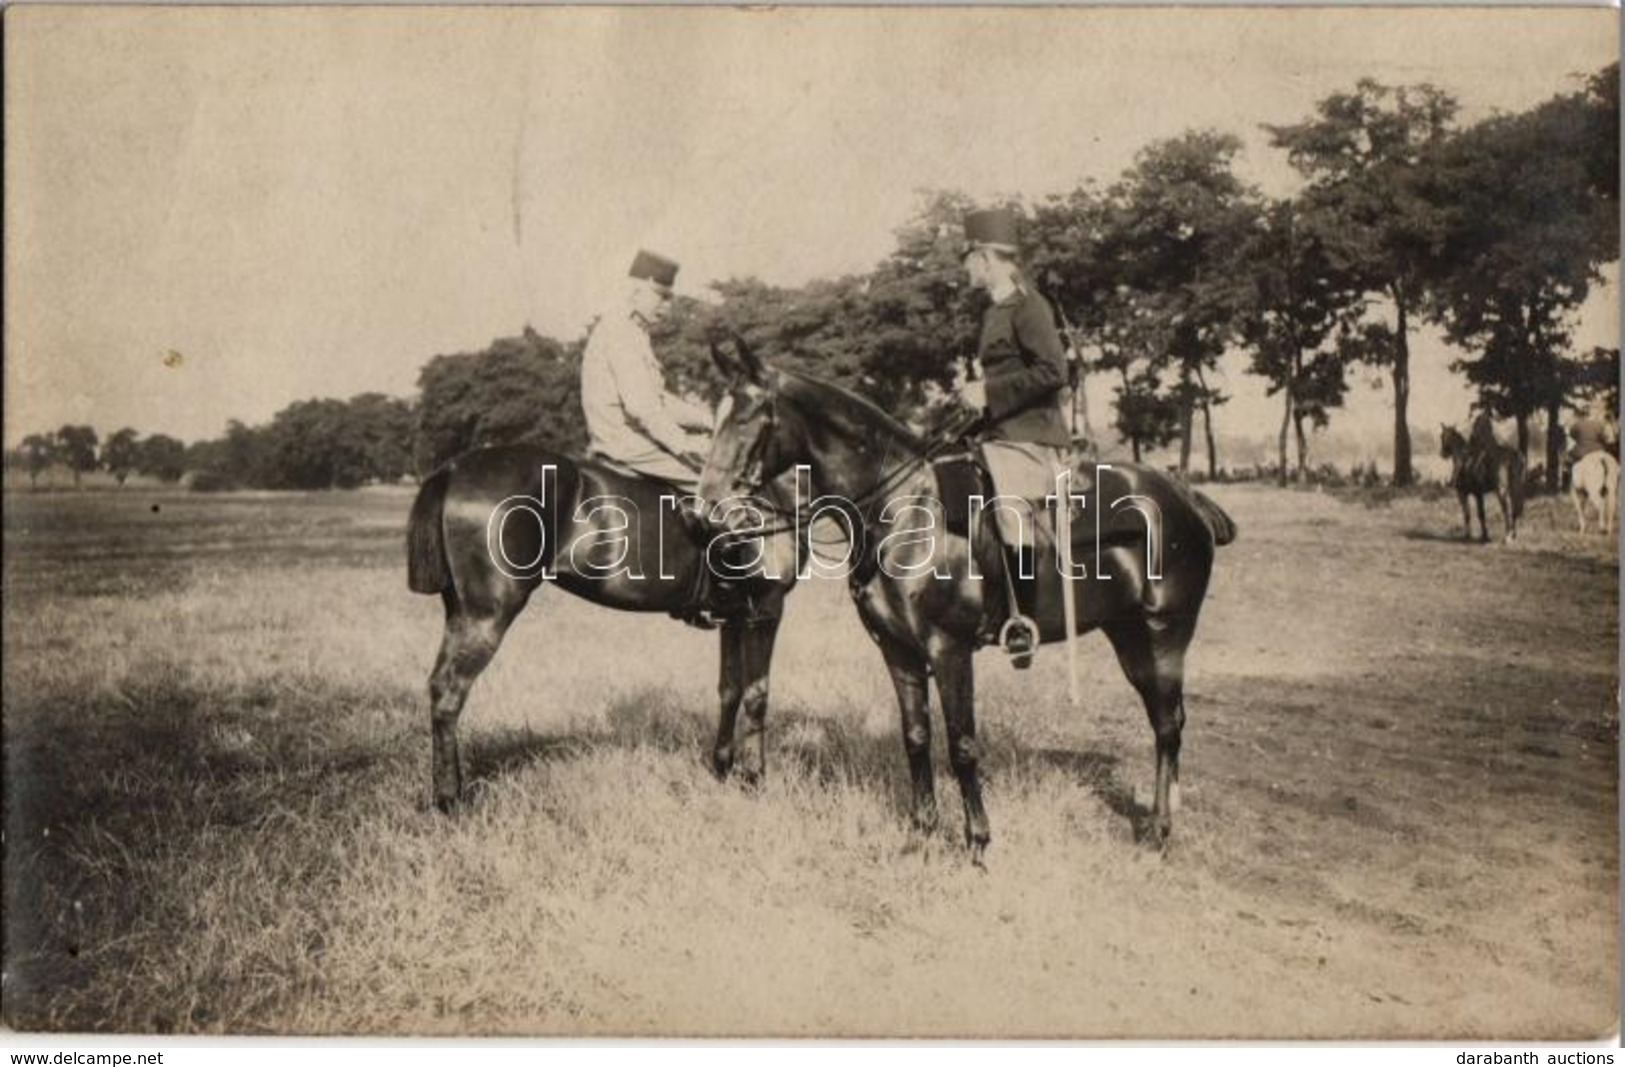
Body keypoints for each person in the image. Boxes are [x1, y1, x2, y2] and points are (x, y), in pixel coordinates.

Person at [959, 207, 1072, 669]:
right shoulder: (994, 310)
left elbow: (1053, 371)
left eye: (969, 258)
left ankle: (1022, 620)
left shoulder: (1030, 306)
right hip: (999, 431)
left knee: (1010, 513)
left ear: (986, 257)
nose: (966, 268)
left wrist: (988, 392)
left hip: (1031, 435)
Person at [580, 250, 715, 491]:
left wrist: (709, 421)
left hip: (635, 443)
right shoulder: (620, 333)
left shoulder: (634, 332)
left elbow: (658, 400)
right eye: (662, 297)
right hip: (626, 446)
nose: (667, 307)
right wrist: (684, 444)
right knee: (719, 484)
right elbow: (642, 408)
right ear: (636, 291)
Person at [1568, 397, 1619, 465]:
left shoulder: (1577, 424)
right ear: (1591, 413)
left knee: (1570, 461)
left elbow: (1572, 435)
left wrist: (1580, 439)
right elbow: (1604, 439)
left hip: (1580, 453)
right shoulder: (1598, 425)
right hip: (1596, 452)